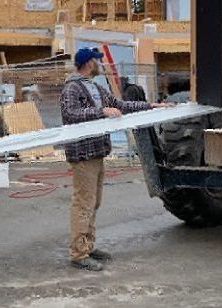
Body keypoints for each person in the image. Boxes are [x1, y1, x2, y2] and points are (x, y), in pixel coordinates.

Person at [60, 47, 162, 271]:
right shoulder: (72, 87)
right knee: (83, 203)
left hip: (97, 151)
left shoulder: (95, 87)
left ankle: (88, 246)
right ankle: (79, 253)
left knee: (94, 202)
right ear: (89, 63)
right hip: (83, 153)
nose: (100, 64)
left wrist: (150, 106)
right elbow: (70, 114)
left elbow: (121, 105)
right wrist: (102, 112)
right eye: (97, 61)